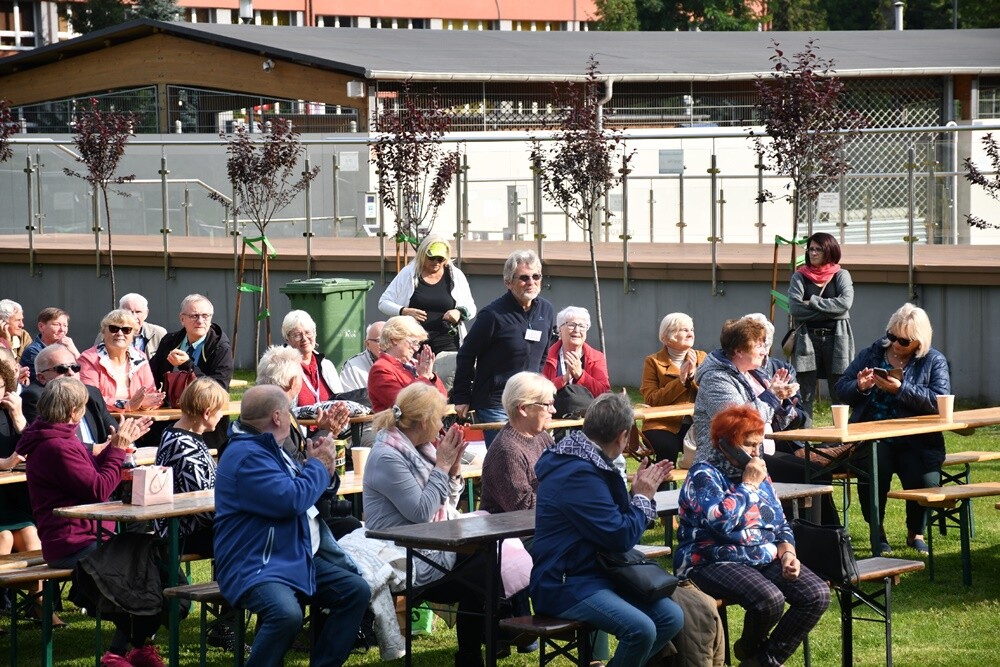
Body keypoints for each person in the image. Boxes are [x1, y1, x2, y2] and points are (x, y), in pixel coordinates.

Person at [214, 385, 369, 667]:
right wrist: (318, 466)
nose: (292, 419)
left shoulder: (270, 448)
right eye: (289, 412)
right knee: (286, 614)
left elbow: (306, 490)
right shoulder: (248, 455)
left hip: (291, 555)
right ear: (277, 417)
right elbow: (291, 500)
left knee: (354, 591)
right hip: (255, 562)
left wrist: (325, 469)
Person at [531, 392, 683, 667]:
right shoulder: (578, 473)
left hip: (597, 574)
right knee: (641, 630)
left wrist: (636, 494)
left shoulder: (586, 461)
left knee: (670, 617)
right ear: (622, 436)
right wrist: (642, 498)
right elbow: (620, 536)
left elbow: (612, 522)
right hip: (563, 583)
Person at [675, 405, 830, 667]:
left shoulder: (758, 472)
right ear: (726, 444)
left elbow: (779, 522)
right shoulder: (704, 474)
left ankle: (761, 660)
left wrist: (788, 552)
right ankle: (751, 651)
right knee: (769, 600)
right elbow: (720, 523)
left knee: (816, 594)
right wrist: (748, 486)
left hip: (761, 555)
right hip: (711, 559)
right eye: (749, 445)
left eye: (759, 444)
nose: (757, 452)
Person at [17, 377, 155, 666]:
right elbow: (98, 489)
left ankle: (134, 649)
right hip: (73, 543)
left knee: (152, 559)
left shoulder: (60, 439)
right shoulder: (56, 446)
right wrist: (117, 449)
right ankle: (120, 653)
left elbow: (87, 475)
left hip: (89, 537)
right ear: (74, 411)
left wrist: (116, 447)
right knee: (143, 566)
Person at [363, 383, 502, 667]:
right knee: (482, 569)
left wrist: (453, 469)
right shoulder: (388, 456)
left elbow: (446, 503)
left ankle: (487, 642)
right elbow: (422, 512)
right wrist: (442, 466)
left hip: (428, 541)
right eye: (439, 418)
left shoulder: (420, 449)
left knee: (487, 558)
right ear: (424, 421)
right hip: (403, 550)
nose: (442, 425)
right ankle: (488, 643)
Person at [692, 318, 839, 525]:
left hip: (754, 454)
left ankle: (827, 534)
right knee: (808, 474)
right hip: (726, 462)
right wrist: (772, 397)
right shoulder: (715, 379)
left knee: (815, 471)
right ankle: (815, 533)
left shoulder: (753, 374)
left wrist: (784, 403)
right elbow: (741, 423)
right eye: (759, 345)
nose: (764, 351)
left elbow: (774, 419)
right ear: (739, 350)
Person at [835, 304, 950, 556]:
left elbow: (938, 400)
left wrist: (901, 389)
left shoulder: (934, 360)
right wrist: (860, 386)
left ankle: (916, 532)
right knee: (873, 470)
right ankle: (877, 531)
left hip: (917, 438)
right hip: (873, 436)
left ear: (919, 341)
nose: (896, 344)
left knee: (925, 479)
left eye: (904, 341)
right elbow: (841, 388)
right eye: (892, 336)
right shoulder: (871, 354)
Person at [452, 249, 555, 446]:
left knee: (533, 455)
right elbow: (466, 354)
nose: (531, 282)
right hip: (496, 403)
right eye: (524, 278)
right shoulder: (492, 315)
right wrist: (461, 396)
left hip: (531, 402)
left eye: (536, 276)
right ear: (508, 282)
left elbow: (542, 354)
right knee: (506, 454)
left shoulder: (546, 310)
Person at [378, 235, 477, 391]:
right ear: (423, 254)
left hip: (447, 341)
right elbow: (383, 303)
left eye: (441, 259)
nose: (436, 262)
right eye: (432, 257)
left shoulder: (455, 275)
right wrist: (404, 311)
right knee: (416, 386)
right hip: (413, 344)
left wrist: (459, 312)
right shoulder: (409, 273)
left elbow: (471, 307)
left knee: (446, 384)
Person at [154, 377, 228, 555]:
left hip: (192, 527)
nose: (221, 416)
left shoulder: (177, 434)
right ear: (207, 413)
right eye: (220, 411)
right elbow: (203, 507)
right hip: (183, 533)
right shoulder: (184, 447)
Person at [149, 294, 233, 448]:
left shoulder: (220, 347)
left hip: (206, 423)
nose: (200, 321)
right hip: (170, 416)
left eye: (205, 316)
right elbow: (151, 376)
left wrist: (188, 365)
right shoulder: (170, 341)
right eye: (194, 316)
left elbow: (219, 389)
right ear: (182, 319)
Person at [787, 232, 855, 419]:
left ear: (829, 251)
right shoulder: (799, 277)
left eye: (818, 249)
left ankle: (839, 435)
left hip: (837, 339)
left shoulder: (841, 275)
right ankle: (805, 434)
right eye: (811, 249)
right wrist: (832, 310)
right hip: (807, 339)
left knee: (839, 390)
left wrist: (812, 302)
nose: (813, 253)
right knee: (805, 392)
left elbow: (845, 304)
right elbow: (795, 308)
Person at [480, 371, 556, 516]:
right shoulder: (507, 452)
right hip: (513, 529)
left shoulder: (542, 437)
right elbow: (525, 509)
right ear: (523, 409)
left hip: (545, 523)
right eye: (547, 404)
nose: (553, 410)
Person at [21, 343, 119, 452]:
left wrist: (123, 437)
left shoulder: (91, 393)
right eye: (61, 369)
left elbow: (114, 430)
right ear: (42, 377)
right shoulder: (36, 397)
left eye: (75, 367)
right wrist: (98, 448)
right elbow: (49, 441)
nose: (71, 373)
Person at [640, 312, 708, 465]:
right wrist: (681, 380)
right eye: (684, 330)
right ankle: (661, 480)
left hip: (697, 423)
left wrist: (693, 376)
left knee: (712, 446)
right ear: (667, 336)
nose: (690, 333)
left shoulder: (702, 357)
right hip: (662, 424)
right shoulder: (653, 361)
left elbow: (710, 392)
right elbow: (652, 399)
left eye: (692, 329)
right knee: (667, 448)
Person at [78, 309, 162, 411]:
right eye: (114, 328)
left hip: (137, 416)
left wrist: (149, 402)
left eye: (126, 329)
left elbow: (151, 393)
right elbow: (90, 396)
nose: (120, 333)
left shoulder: (140, 357)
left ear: (133, 335)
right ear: (103, 332)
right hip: (102, 418)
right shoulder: (89, 358)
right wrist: (125, 405)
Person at [367, 315, 446, 414]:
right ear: (394, 339)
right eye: (413, 342)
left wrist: (430, 376)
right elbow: (405, 406)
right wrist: (423, 377)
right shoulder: (381, 369)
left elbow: (442, 399)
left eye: (417, 344)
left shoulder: (413, 365)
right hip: (400, 424)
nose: (416, 348)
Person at [542, 306, 610, 399]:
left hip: (587, 408)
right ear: (560, 329)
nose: (577, 330)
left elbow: (604, 394)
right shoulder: (546, 356)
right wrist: (564, 379)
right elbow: (539, 391)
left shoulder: (597, 357)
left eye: (582, 326)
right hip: (554, 407)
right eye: (571, 325)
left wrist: (580, 375)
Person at [281, 310, 345, 407]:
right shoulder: (282, 369)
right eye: (297, 335)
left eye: (308, 332)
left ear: (315, 334)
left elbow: (342, 401)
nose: (304, 338)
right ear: (287, 339)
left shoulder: (327, 366)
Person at [21, 307, 80, 383]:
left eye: (65, 325)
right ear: (41, 326)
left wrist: (75, 352)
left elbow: (83, 375)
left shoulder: (68, 348)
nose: (62, 329)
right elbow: (42, 382)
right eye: (56, 324)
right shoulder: (33, 351)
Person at [108, 293, 167, 360]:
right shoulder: (109, 333)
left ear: (146, 313)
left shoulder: (159, 334)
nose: (134, 316)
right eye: (129, 312)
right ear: (120, 312)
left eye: (138, 312)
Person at [340, 321, 385, 392]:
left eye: (389, 340)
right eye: (379, 341)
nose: (385, 344)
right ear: (367, 344)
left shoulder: (401, 362)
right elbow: (349, 396)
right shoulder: (352, 367)